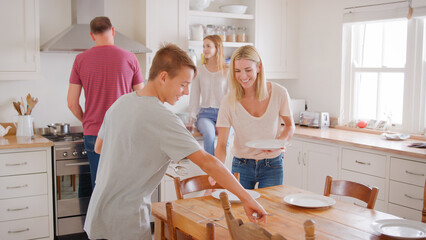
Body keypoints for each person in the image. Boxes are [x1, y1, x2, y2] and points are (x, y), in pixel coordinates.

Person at [84, 44, 267, 240]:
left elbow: (100, 147)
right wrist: (247, 198)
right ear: (163, 77)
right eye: (183, 84)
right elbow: (208, 162)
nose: (187, 92)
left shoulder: (121, 102)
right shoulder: (163, 118)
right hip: (126, 220)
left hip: (99, 212)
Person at [67, 16, 144, 189]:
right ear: (113, 31)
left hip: (93, 132)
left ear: (92, 36)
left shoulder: (80, 60)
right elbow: (142, 98)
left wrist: (87, 121)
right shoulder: (130, 58)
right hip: (124, 131)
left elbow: (72, 102)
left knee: (100, 186)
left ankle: (99, 217)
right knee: (124, 186)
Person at [214, 45, 295, 190]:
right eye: (237, 71)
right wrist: (217, 172)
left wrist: (279, 142)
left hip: (272, 163)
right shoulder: (228, 101)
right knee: (240, 211)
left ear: (259, 67)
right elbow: (221, 144)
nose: (243, 76)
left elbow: (289, 126)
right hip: (241, 164)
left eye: (248, 70)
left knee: (270, 209)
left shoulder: (279, 93)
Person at [187, 35, 228, 155]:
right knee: (209, 136)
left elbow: (231, 97)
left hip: (224, 114)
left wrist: (222, 120)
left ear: (217, 48)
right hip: (205, 115)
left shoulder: (228, 70)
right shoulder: (199, 71)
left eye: (208, 46)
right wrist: (191, 119)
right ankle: (212, 170)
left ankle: (222, 170)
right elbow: (194, 97)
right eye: (204, 46)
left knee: (224, 142)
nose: (205, 49)